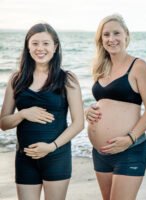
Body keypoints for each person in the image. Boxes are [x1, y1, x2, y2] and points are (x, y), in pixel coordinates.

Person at [0, 23, 84, 200]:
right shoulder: (17, 79)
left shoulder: (67, 78)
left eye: (46, 43)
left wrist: (51, 147)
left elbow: (78, 124)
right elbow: (3, 123)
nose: (40, 48)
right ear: (27, 47)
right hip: (25, 158)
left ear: (55, 47)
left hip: (56, 157)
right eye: (35, 43)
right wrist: (23, 114)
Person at [85, 14, 146, 200]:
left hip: (129, 150)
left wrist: (130, 139)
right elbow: (105, 103)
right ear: (101, 40)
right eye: (106, 35)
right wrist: (88, 111)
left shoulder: (138, 66)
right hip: (100, 153)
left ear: (126, 35)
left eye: (116, 33)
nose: (111, 39)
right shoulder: (101, 68)